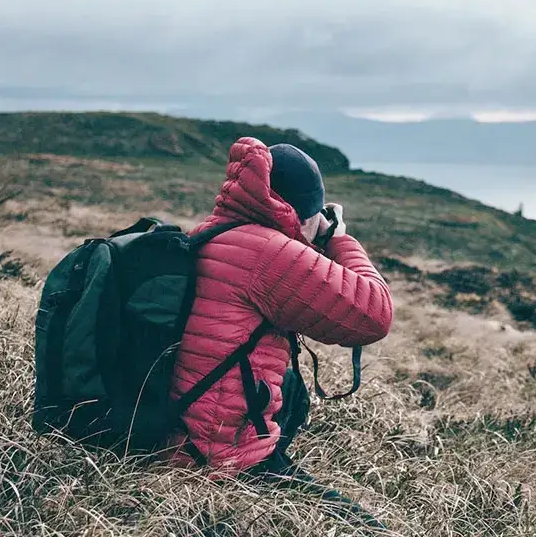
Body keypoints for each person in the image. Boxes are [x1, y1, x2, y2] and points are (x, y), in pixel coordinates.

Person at [166, 136, 394, 482]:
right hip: (214, 457)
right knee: (359, 526)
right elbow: (374, 315)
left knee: (289, 388)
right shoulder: (270, 253)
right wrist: (338, 239)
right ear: (303, 213)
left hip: (171, 430)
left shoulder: (213, 231)